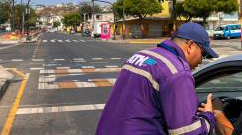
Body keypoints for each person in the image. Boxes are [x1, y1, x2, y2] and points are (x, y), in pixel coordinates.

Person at [96, 23, 234, 135]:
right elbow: (187, 132)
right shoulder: (177, 71)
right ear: (191, 46)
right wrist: (209, 115)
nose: (201, 61)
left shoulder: (141, 55)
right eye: (203, 55)